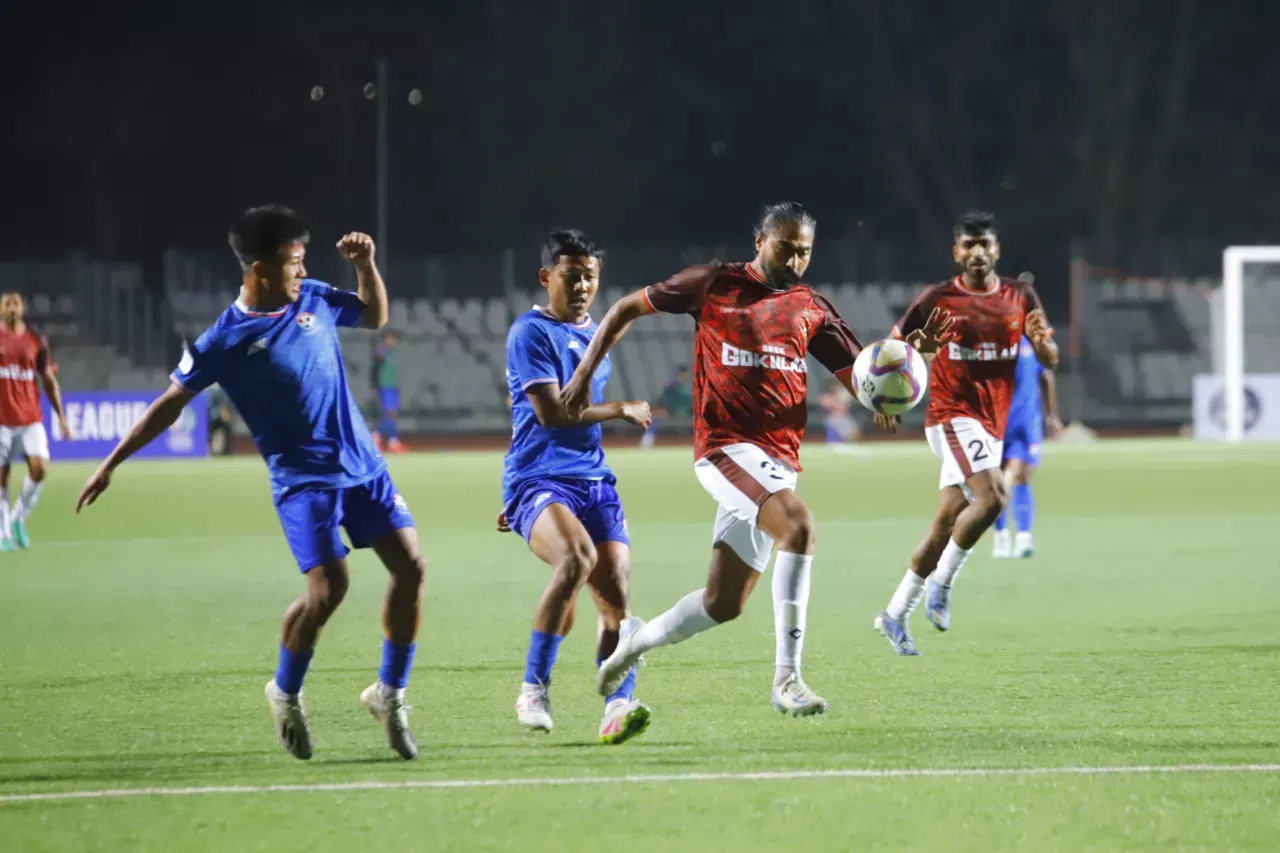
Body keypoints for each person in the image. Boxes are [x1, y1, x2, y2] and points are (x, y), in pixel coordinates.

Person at [561, 202, 951, 716]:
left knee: (723, 604)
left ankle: (635, 641)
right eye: (785, 248)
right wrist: (582, 376)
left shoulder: (811, 307)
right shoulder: (713, 284)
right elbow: (624, 309)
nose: (794, 260)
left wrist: (908, 365)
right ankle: (788, 680)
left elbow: (865, 384)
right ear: (759, 241)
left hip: (777, 462)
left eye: (804, 251)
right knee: (799, 526)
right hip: (725, 449)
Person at [75, 205, 426, 761]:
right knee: (328, 591)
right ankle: (285, 692)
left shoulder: (313, 297)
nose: (302, 270)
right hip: (304, 484)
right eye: (293, 261)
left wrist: (366, 266)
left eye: (304, 259)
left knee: (411, 568)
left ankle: (389, 693)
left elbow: (373, 314)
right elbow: (171, 403)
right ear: (259, 268)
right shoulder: (223, 340)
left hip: (364, 466)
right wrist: (111, 462)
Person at [873, 211, 1057, 655]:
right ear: (956, 252)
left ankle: (895, 614)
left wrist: (1041, 343)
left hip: (991, 424)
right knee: (994, 498)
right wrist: (886, 399)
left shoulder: (1020, 295)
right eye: (968, 244)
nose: (977, 252)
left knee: (945, 524)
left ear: (997, 250)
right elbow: (894, 350)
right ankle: (943, 582)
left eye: (984, 243)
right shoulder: (937, 298)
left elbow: (1049, 358)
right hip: (951, 416)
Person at [499, 229, 654, 744]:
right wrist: (621, 408)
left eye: (590, 276)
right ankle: (533, 688)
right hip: (538, 478)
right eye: (572, 275)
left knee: (616, 598)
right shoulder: (529, 333)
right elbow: (550, 414)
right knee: (576, 560)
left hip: (593, 480)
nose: (583, 285)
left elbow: (631, 313)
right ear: (547, 277)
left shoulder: (597, 333)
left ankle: (618, 706)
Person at [0, 292, 71, 551]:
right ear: (1, 308)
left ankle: (18, 517)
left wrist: (61, 416)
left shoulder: (35, 340)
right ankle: (3, 532)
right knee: (2, 477)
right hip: (1, 421)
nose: (12, 308)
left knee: (40, 469)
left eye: (16, 304)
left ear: (23, 308)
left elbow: (48, 379)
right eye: (7, 304)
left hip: (30, 418)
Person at [992, 333, 1062, 559]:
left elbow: (1046, 376)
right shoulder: (992, 344)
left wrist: (1052, 416)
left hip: (1020, 424)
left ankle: (1022, 538)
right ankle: (1002, 536)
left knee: (1019, 476)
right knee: (1000, 480)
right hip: (1000, 423)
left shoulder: (1029, 343)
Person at [640, 365, 692, 449]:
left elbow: (688, 399)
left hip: (687, 409)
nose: (684, 376)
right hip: (672, 408)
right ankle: (648, 437)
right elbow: (665, 398)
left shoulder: (688, 385)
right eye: (682, 374)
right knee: (655, 415)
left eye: (685, 374)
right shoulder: (673, 385)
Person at [371, 330, 405, 453]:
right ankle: (379, 436)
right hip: (385, 386)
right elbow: (377, 361)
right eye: (390, 338)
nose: (393, 341)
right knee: (389, 412)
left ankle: (390, 440)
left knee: (392, 414)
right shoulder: (382, 351)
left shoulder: (393, 353)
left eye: (394, 339)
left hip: (393, 386)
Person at [818, 379, 863, 449]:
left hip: (845, 417)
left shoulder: (842, 395)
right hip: (833, 418)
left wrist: (842, 397)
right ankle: (836, 442)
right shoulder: (825, 397)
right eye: (834, 386)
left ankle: (850, 444)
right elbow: (826, 404)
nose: (836, 387)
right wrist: (836, 403)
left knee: (855, 430)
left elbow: (844, 408)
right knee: (838, 425)